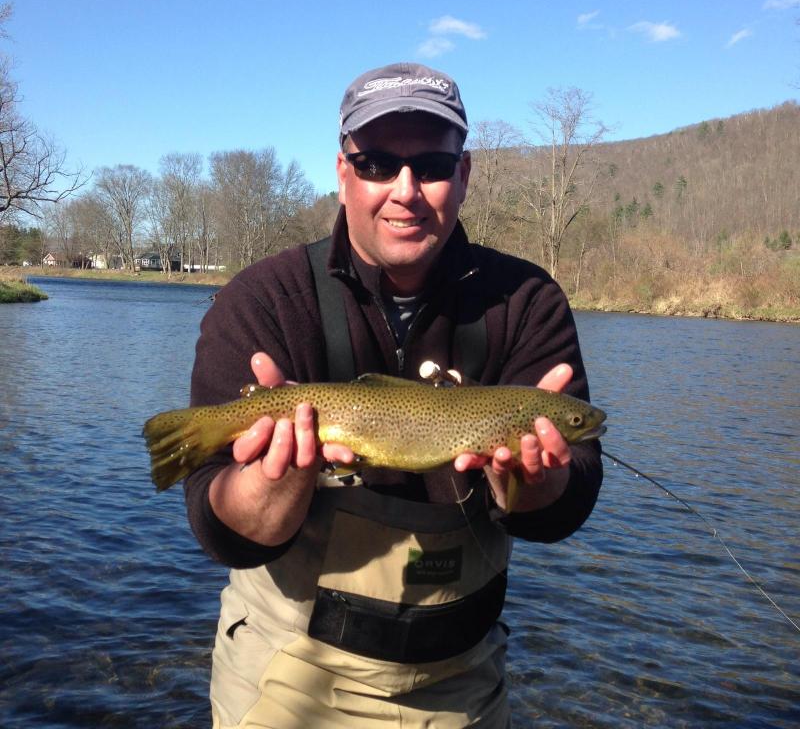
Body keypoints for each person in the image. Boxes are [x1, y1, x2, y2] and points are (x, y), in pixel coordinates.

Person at [184, 62, 603, 728]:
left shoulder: (526, 302)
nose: (405, 190)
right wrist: (277, 477)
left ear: (464, 176)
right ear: (343, 171)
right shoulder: (265, 300)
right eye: (378, 162)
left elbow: (566, 504)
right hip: (287, 673)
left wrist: (530, 485)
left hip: (461, 683)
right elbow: (223, 531)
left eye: (433, 164)